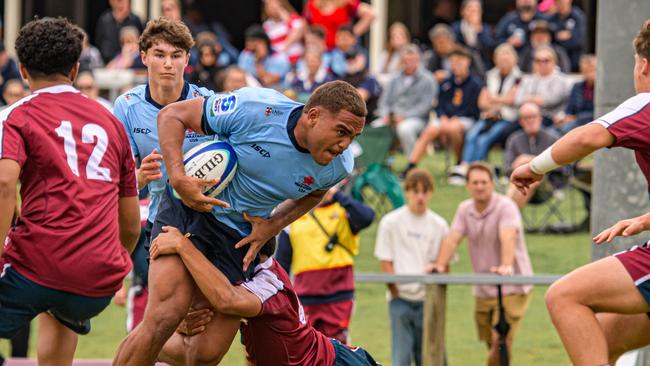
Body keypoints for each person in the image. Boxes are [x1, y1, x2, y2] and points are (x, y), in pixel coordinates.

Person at [112, 80, 367, 365]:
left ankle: (143, 343)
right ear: (313, 115)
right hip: (190, 208)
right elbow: (172, 115)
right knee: (165, 317)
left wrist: (274, 224)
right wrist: (180, 179)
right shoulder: (256, 108)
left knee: (203, 355)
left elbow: (316, 193)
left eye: (354, 136)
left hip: (237, 237)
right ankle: (148, 337)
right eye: (342, 131)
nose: (346, 144)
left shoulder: (339, 165)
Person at [0, 17, 140, 365]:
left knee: (48, 277)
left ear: (23, 70)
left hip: (39, 264)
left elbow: (4, 184)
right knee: (61, 310)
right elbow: (132, 222)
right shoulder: (111, 121)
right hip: (97, 279)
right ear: (76, 69)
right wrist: (113, 266)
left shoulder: (15, 115)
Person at [510, 19, 650, 366]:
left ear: (643, 65)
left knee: (564, 296)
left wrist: (534, 167)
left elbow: (588, 136)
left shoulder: (645, 103)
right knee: (599, 339)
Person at [112, 16, 217, 333]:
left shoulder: (208, 103)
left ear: (187, 59)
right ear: (143, 57)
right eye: (159, 54)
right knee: (164, 319)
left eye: (176, 55)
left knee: (203, 328)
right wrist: (139, 178)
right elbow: (120, 179)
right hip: (161, 220)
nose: (167, 64)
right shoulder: (127, 106)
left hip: (209, 223)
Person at [149, 226, 379, 365]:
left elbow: (225, 299)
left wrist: (183, 245)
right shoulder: (246, 278)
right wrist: (180, 323)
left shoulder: (266, 283)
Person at [434, 162, 534, 366]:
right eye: (475, 183)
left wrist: (506, 265)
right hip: (483, 288)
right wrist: (439, 265)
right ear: (468, 186)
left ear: (492, 184)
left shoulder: (506, 206)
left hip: (512, 286)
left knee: (501, 340)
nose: (479, 187)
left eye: (484, 182)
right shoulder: (465, 209)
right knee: (494, 344)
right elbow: (453, 238)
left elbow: (508, 236)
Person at [276, 185, 375, 343]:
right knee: (307, 349)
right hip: (305, 299)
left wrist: (336, 195)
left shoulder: (343, 212)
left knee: (337, 349)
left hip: (339, 297)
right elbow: (282, 266)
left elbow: (367, 217)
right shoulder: (293, 219)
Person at [374, 168, 449, 366]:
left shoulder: (439, 225)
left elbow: (445, 265)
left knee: (433, 356)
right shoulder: (390, 222)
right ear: (407, 192)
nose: (420, 197)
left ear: (431, 193)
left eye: (425, 191)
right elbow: (386, 261)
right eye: (415, 191)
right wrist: (395, 291)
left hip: (429, 299)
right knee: (401, 358)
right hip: (401, 299)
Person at [406, 46, 483, 184]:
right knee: (431, 129)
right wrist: (443, 116)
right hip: (445, 118)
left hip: (466, 119)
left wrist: (455, 117)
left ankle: (460, 163)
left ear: (467, 62)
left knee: (453, 129)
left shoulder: (475, 84)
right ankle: (411, 165)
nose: (456, 65)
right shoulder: (447, 82)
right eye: (453, 62)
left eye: (459, 61)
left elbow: (473, 108)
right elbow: (440, 104)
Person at [373, 44, 437, 156]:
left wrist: (404, 116)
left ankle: (411, 164)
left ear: (418, 60)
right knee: (373, 128)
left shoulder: (428, 79)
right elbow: (383, 102)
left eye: (412, 60)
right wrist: (386, 115)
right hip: (392, 118)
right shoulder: (394, 78)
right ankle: (378, 164)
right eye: (405, 61)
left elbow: (425, 106)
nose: (408, 63)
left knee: (404, 129)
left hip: (417, 119)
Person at [505, 103, 560, 208]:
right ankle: (508, 214)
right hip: (517, 184)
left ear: (540, 118)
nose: (530, 120)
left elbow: (562, 167)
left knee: (531, 175)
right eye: (526, 118)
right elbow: (507, 168)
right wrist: (519, 165)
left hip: (547, 186)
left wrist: (528, 160)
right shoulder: (514, 140)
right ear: (521, 121)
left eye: (533, 117)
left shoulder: (552, 138)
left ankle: (507, 215)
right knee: (523, 176)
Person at [515, 45, 570, 125]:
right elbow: (518, 100)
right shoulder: (528, 79)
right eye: (538, 60)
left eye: (546, 60)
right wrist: (536, 100)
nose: (542, 63)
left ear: (554, 61)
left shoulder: (561, 80)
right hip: (526, 118)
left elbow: (551, 100)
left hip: (550, 119)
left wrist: (528, 99)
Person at [303, 0, 375, 50]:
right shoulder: (312, 4)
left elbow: (370, 14)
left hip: (341, 50)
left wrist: (351, 35)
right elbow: (305, 25)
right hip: (320, 52)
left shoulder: (346, 2)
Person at [238, 24, 291, 89]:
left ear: (264, 42)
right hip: (252, 91)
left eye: (253, 41)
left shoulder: (279, 57)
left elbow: (267, 81)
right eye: (248, 41)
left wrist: (258, 62)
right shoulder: (245, 55)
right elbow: (241, 78)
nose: (249, 44)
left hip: (277, 92)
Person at [554, 54, 596, 134]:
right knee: (551, 129)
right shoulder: (577, 86)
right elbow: (570, 108)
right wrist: (563, 117)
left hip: (590, 122)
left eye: (592, 70)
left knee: (563, 130)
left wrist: (575, 118)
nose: (590, 74)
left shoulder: (601, 91)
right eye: (586, 71)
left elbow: (598, 112)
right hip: (573, 121)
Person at [451, 0, 496, 70]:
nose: (474, 12)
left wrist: (479, 31)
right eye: (470, 9)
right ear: (462, 11)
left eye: (477, 10)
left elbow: (490, 47)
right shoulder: (456, 28)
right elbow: (454, 46)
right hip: (462, 66)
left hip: (482, 67)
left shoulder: (486, 29)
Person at [262, 0, 306, 65]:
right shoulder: (266, 26)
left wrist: (287, 20)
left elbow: (300, 30)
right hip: (279, 62)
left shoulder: (293, 19)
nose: (273, 8)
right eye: (269, 6)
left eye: (275, 5)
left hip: (298, 60)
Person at [549, 0, 586, 72]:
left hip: (574, 62)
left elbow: (578, 41)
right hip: (557, 62)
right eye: (558, 2)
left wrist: (559, 38)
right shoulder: (552, 18)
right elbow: (550, 40)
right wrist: (559, 36)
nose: (561, 4)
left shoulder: (578, 16)